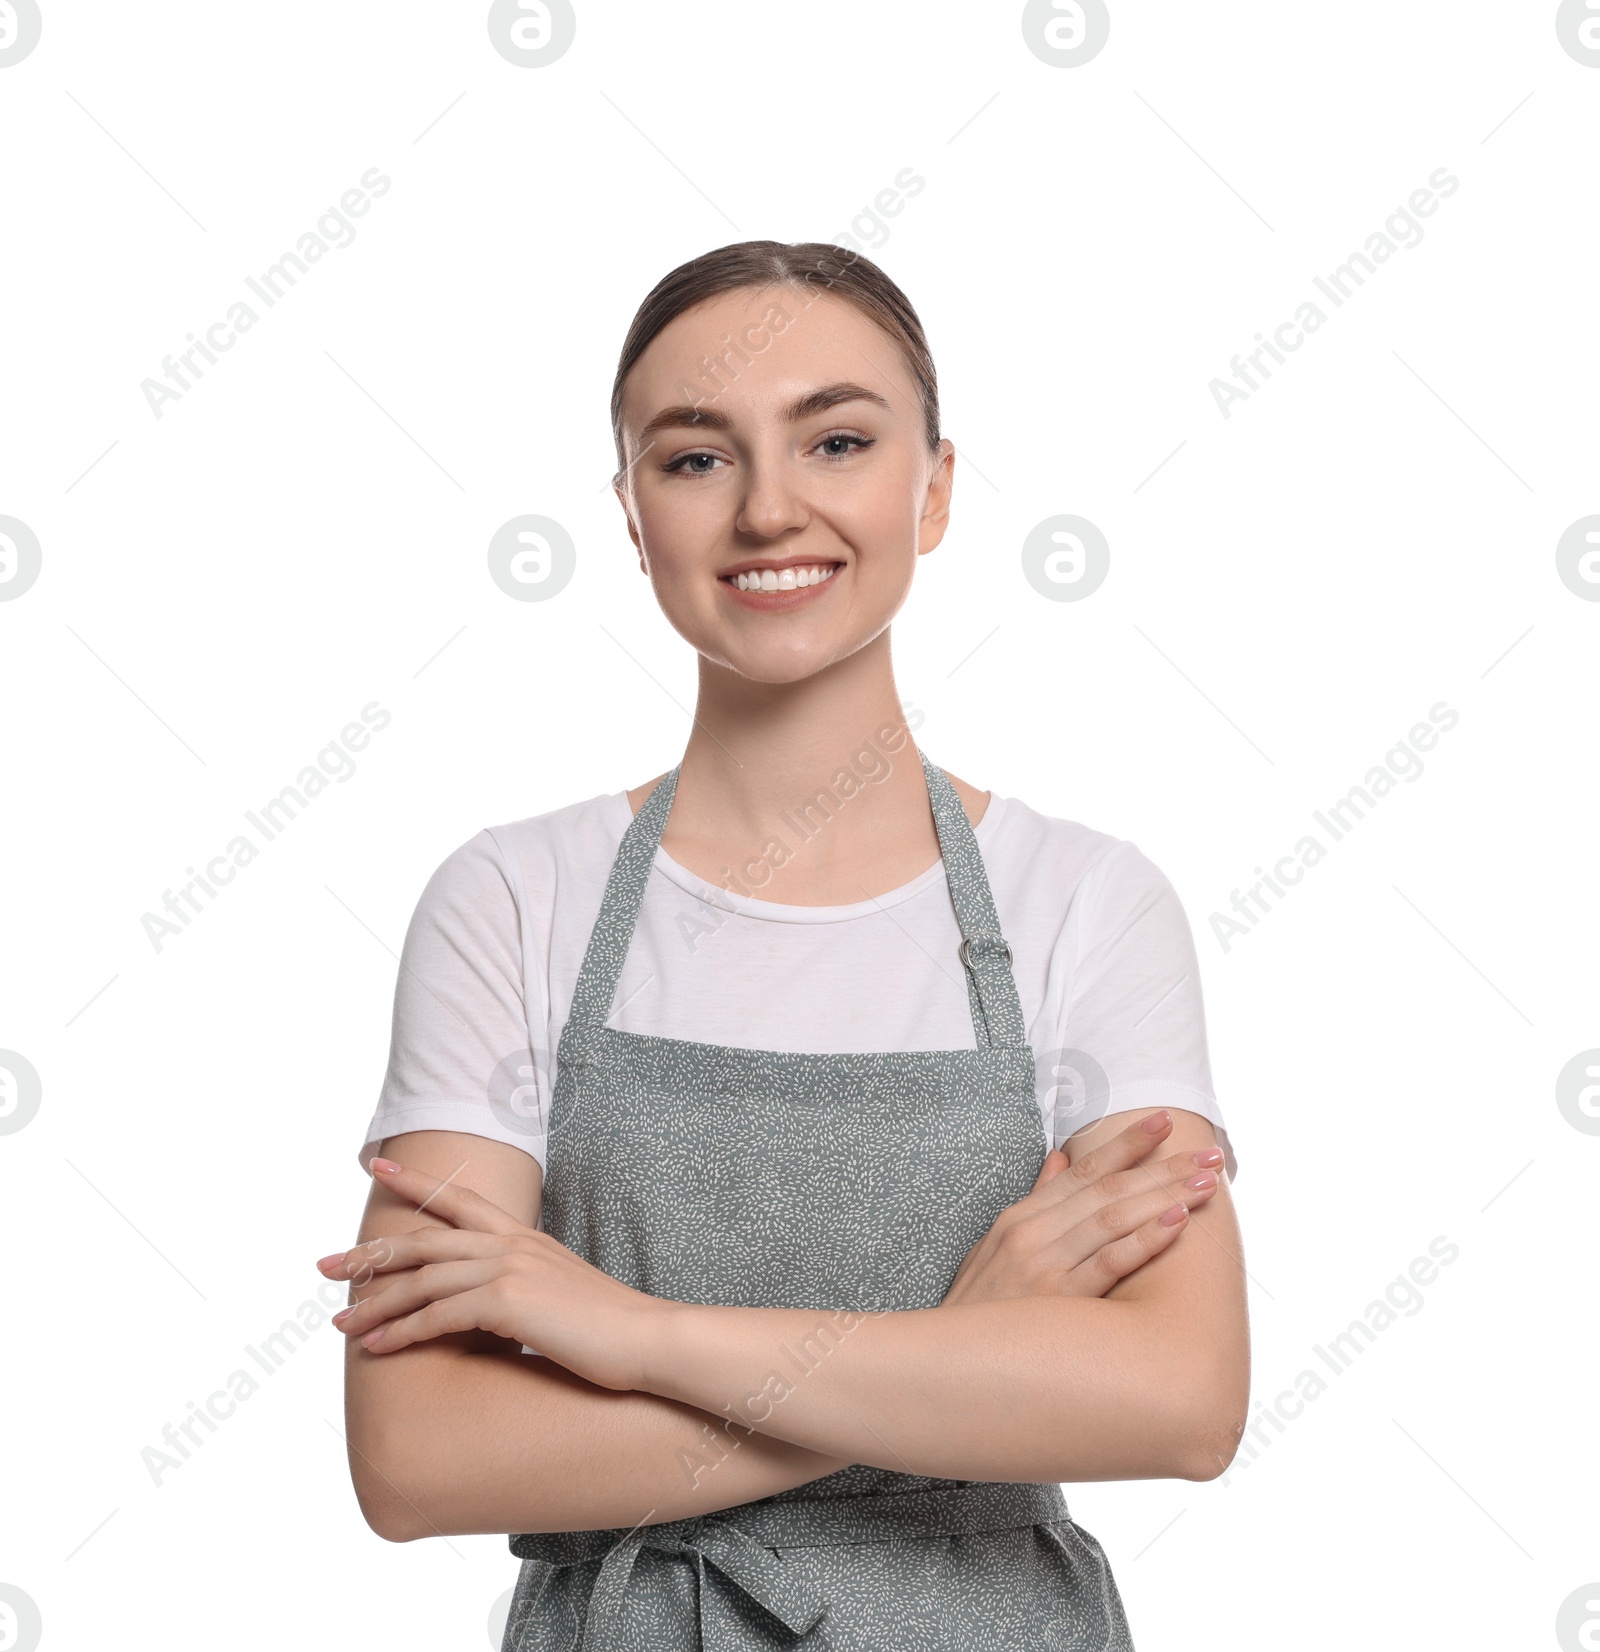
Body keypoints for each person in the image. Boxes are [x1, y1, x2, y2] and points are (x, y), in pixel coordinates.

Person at [317, 240, 1250, 1650]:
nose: (769, 509)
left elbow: (1179, 1401)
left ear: (934, 489)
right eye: (695, 458)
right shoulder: (512, 900)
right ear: (631, 515)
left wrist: (633, 1334)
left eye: (838, 439)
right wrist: (962, 1352)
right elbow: (419, 1455)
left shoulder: (1085, 903)